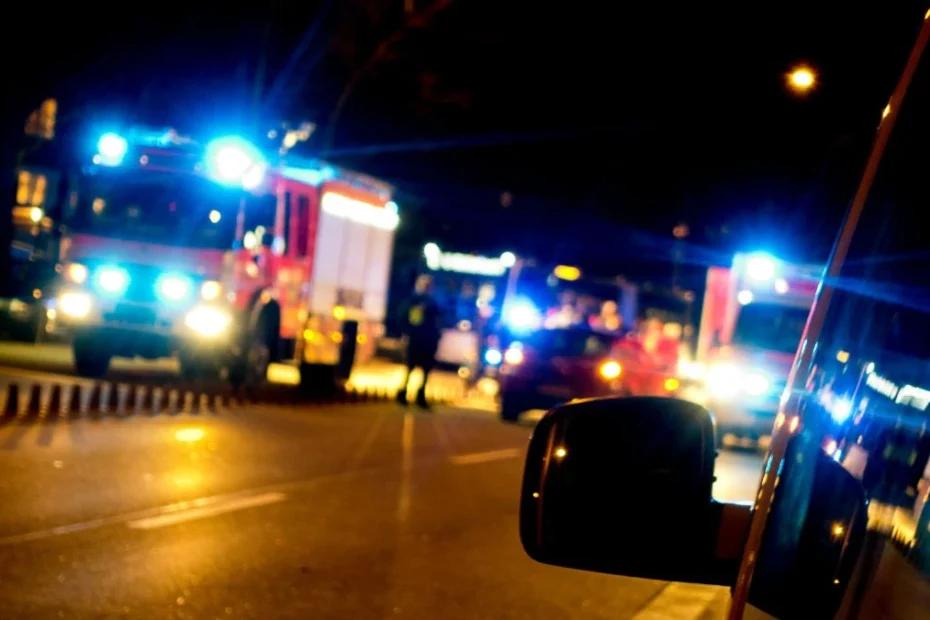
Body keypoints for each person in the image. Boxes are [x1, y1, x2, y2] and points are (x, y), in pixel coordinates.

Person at [397, 275, 442, 408]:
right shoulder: (415, 301)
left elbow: (438, 322)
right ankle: (406, 393)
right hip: (417, 339)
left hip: (426, 341)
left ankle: (418, 394)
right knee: (411, 368)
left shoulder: (431, 303)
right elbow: (405, 319)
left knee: (424, 369)